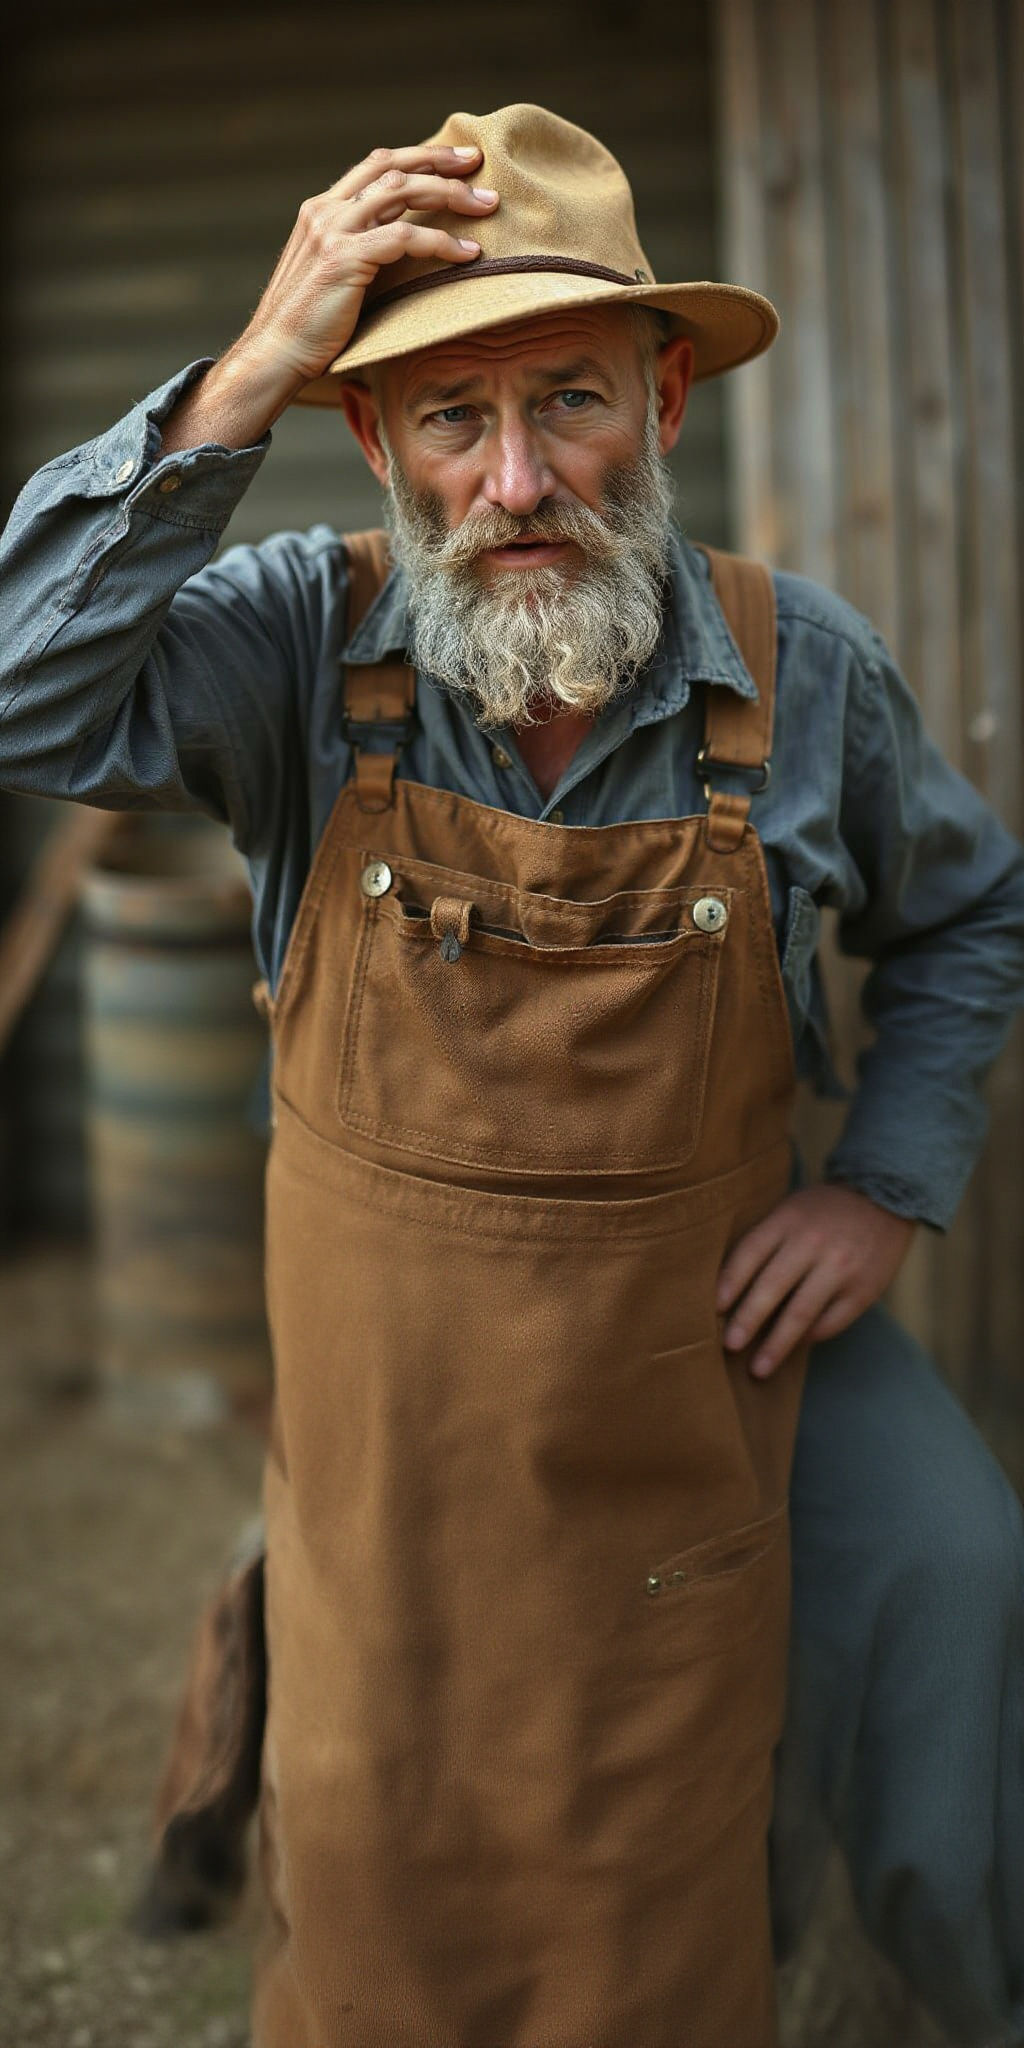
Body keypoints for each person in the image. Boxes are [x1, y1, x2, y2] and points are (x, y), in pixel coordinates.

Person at [1, 99, 1023, 2048]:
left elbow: (964, 918)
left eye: (567, 401)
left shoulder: (801, 670)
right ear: (375, 444)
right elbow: (23, 690)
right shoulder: (297, 643)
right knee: (393, 1857)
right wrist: (246, 373)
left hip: (711, 1351)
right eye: (450, 423)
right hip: (411, 1406)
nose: (516, 482)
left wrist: (882, 1180)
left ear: (662, 396)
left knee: (954, 1578)